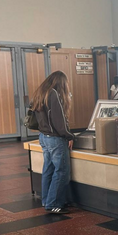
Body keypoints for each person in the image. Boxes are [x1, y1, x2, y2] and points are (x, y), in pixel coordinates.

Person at [32, 71, 75, 214]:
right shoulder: (54, 94)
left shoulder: (41, 93)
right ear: (61, 83)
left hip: (44, 136)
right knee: (61, 171)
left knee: (48, 169)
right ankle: (54, 203)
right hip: (55, 138)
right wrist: (69, 136)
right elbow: (59, 120)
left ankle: (46, 200)